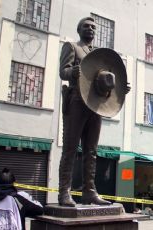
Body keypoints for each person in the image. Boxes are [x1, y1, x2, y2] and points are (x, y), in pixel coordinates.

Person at [58, 17, 111, 206]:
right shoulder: (72, 46)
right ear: (79, 29)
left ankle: (89, 191)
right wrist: (72, 71)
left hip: (95, 104)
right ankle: (64, 192)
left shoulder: (97, 54)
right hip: (76, 101)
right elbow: (63, 72)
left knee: (92, 151)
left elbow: (102, 81)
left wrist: (117, 88)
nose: (90, 29)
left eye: (93, 27)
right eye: (86, 26)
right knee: (70, 149)